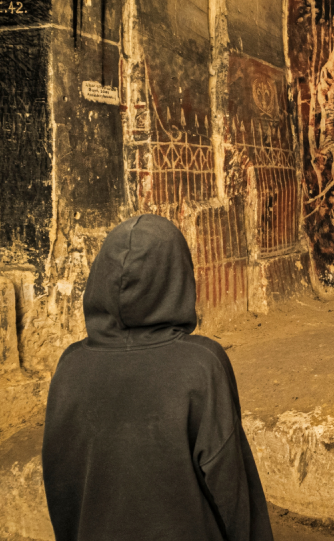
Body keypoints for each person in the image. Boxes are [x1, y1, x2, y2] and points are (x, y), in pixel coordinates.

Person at [42, 214, 273, 541]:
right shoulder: (202, 364)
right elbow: (231, 491)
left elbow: (60, 485)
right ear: (178, 278)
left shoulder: (69, 366)